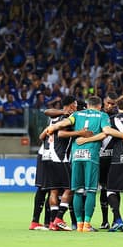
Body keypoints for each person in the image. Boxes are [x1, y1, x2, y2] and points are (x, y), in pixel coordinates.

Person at [46, 96, 123, 232]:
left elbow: (63, 124)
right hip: (91, 156)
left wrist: (52, 127)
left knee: (77, 191)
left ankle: (79, 224)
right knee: (91, 191)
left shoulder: (76, 114)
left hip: (76, 155)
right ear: (99, 106)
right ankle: (87, 224)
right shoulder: (102, 115)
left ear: (87, 105)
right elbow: (107, 131)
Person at [77, 95, 123, 232]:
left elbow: (106, 138)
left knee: (110, 190)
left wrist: (87, 141)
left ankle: (117, 219)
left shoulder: (113, 119)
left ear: (118, 106)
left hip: (118, 159)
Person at [39, 95, 92, 231]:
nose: (76, 106)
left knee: (54, 191)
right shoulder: (66, 119)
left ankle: (52, 222)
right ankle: (58, 219)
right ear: (71, 105)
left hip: (49, 157)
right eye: (75, 104)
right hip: (60, 157)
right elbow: (61, 134)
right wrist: (80, 133)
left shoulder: (54, 119)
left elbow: (41, 136)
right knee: (70, 189)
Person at [98, 91, 118, 229]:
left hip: (113, 158)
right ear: (103, 102)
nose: (110, 106)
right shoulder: (98, 116)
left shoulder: (117, 118)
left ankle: (117, 218)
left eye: (112, 104)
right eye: (108, 103)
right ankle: (105, 220)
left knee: (114, 190)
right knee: (103, 189)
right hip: (101, 158)